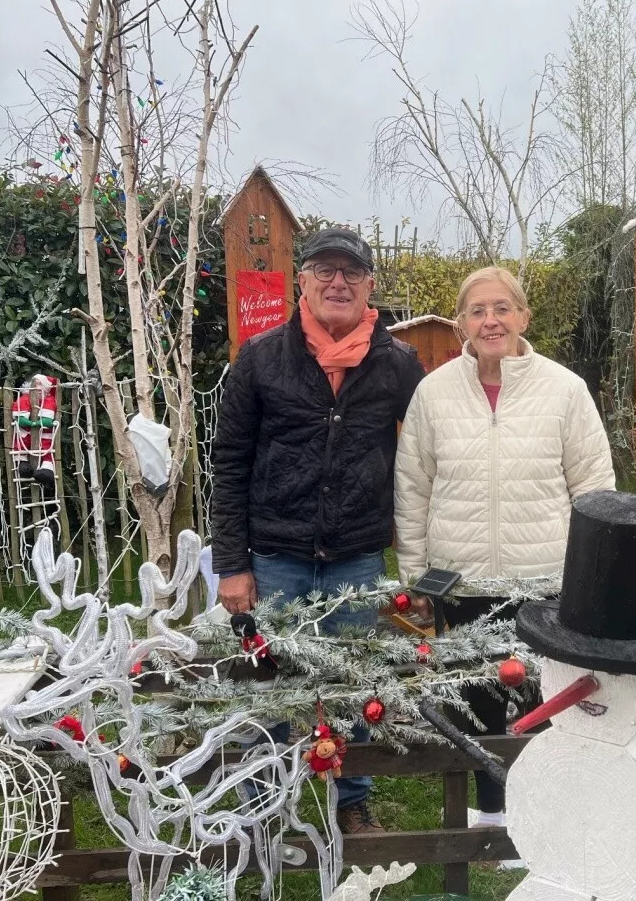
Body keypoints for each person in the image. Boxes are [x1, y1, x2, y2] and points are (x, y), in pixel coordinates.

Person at [211, 226, 426, 835]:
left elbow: (440, 437)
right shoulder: (260, 359)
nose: (338, 282)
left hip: (356, 556)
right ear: (301, 281)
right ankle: (261, 803)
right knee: (268, 682)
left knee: (353, 681)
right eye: (325, 271)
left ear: (369, 286)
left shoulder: (397, 364)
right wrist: (232, 564)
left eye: (351, 273)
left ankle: (351, 797)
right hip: (275, 553)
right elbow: (228, 463)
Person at [393, 265, 615, 827]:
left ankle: (545, 816)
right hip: (459, 580)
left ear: (523, 316)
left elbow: (594, 489)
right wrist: (415, 579)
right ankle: (491, 810)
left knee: (546, 700)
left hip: (543, 577)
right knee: (476, 699)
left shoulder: (565, 390)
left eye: (501, 308)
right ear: (461, 323)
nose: (490, 321)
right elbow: (413, 488)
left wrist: (590, 578)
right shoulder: (433, 393)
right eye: (476, 311)